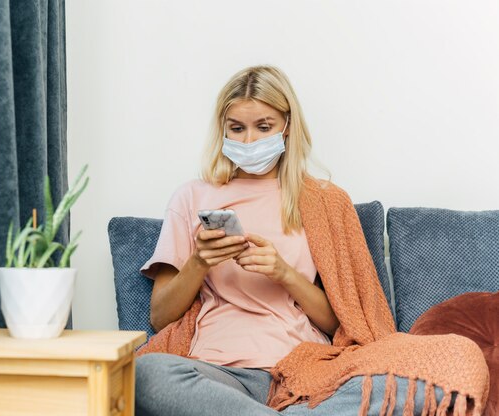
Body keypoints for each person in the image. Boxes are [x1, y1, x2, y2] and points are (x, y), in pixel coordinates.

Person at [134, 65, 454, 415]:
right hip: (220, 374)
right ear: (222, 129)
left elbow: (342, 324)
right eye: (236, 128)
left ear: (286, 127)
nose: (249, 141)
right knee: (146, 375)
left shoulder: (323, 201)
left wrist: (284, 273)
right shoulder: (192, 197)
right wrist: (199, 261)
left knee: (435, 374)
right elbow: (160, 316)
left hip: (307, 372)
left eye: (264, 127)